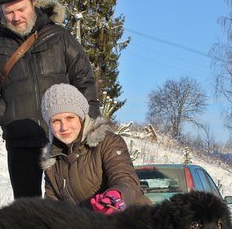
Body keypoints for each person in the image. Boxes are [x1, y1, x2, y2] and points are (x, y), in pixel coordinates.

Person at [0, 0, 100, 199]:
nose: (16, 17)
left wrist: (87, 120)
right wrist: (8, 115)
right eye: (9, 12)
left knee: (72, 203)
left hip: (64, 139)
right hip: (21, 141)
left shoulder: (59, 37)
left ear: (33, 2)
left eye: (21, 9)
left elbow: (84, 79)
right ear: (1, 12)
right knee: (27, 210)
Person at [40, 83, 151, 212]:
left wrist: (115, 196)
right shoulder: (52, 164)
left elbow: (126, 180)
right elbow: (52, 208)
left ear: (81, 118)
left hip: (135, 223)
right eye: (56, 121)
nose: (64, 127)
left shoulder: (107, 142)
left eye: (70, 118)